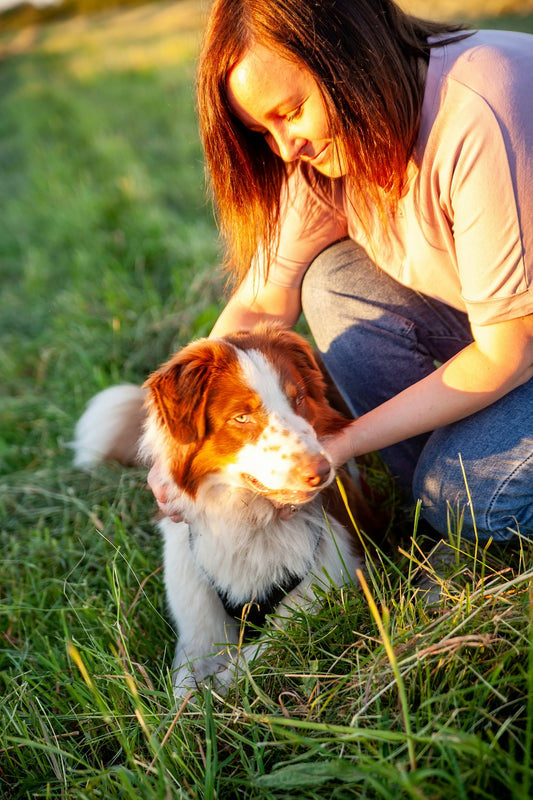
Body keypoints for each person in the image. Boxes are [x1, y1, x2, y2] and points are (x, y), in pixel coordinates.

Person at [151, 0, 533, 542]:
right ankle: (433, 502)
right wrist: (180, 443)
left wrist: (341, 442)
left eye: (290, 112)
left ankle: (457, 509)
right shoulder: (336, 146)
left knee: (471, 496)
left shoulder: (482, 106)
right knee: (333, 280)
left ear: (352, 56)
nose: (285, 150)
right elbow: (261, 302)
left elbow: (509, 352)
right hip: (507, 335)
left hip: (515, 346)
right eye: (262, 131)